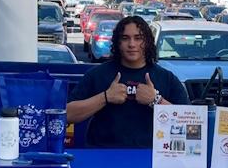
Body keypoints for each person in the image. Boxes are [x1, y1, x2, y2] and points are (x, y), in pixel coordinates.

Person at [67, 16, 190, 147]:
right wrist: (105, 97)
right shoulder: (97, 75)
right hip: (103, 158)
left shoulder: (166, 78)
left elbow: (190, 123)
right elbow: (67, 114)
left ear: (147, 41)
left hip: (152, 159)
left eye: (138, 38)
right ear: (118, 42)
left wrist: (156, 100)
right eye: (125, 38)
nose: (132, 44)